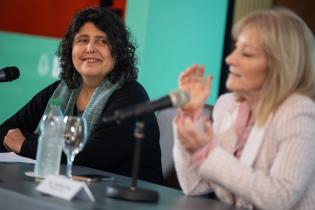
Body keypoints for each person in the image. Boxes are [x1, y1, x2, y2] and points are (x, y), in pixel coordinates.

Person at [0, 7, 163, 184]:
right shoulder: (62, 89)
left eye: (102, 41)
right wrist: (35, 143)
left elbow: (85, 158)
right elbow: (5, 132)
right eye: (82, 40)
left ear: (118, 51)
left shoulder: (130, 96)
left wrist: (25, 145)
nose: (90, 48)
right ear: (71, 49)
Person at [173, 8, 315, 210]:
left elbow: (280, 198)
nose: (230, 59)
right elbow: (194, 185)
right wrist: (190, 115)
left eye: (246, 53)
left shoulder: (298, 111)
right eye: (235, 48)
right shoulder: (229, 105)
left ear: (280, 66)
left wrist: (209, 152)